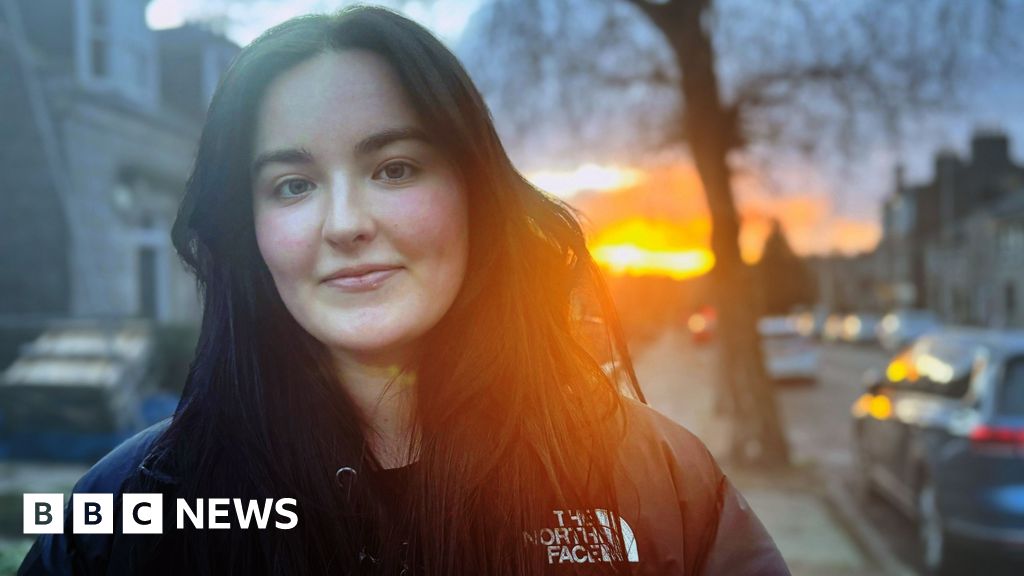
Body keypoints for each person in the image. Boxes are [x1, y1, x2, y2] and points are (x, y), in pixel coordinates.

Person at [20, 7, 789, 575]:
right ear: (246, 229)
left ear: (474, 193)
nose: (345, 223)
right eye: (292, 185)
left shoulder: (658, 483)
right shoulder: (123, 516)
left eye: (395, 169)